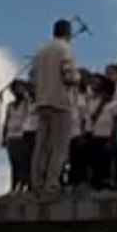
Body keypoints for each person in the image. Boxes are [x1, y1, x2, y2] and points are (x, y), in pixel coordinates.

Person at [29, 19, 79, 196]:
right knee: (59, 146)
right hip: (60, 102)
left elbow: (32, 78)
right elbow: (69, 75)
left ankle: (37, 182)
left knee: (41, 145)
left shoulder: (41, 51)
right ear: (68, 32)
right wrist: (77, 77)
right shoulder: (64, 49)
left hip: (42, 102)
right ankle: (52, 183)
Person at [85, 77, 117, 190]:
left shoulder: (114, 103)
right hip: (95, 134)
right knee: (95, 160)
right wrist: (101, 104)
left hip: (107, 134)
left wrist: (112, 138)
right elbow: (92, 117)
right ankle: (96, 181)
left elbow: (115, 122)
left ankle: (107, 181)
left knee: (106, 161)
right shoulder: (91, 101)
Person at [2, 80, 30, 194]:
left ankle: (24, 184)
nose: (16, 91)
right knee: (13, 163)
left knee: (22, 162)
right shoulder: (10, 106)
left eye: (18, 88)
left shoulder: (27, 103)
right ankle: (14, 186)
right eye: (14, 89)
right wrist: (4, 136)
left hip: (22, 135)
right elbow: (6, 121)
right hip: (11, 136)